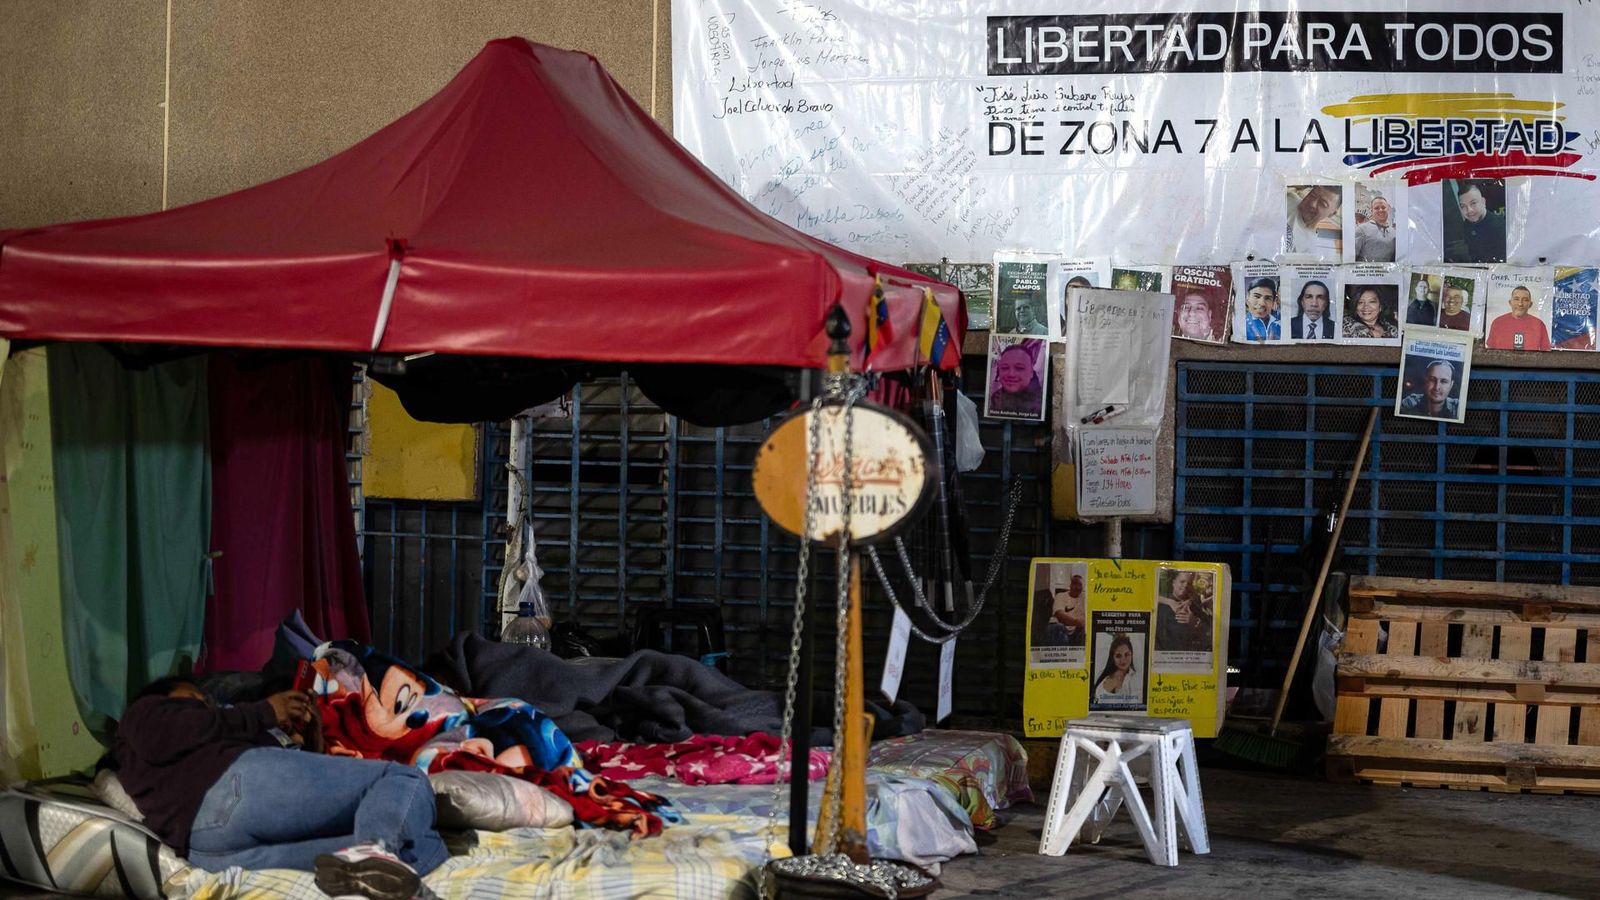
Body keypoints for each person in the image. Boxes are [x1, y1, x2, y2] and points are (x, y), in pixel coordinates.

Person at [111, 677, 447, 899]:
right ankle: (378, 847)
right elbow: (173, 733)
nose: (206, 701)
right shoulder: (145, 713)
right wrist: (263, 711)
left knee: (413, 846)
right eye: (197, 696)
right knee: (401, 780)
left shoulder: (175, 753)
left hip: (208, 847)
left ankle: (375, 864)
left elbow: (306, 798)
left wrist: (311, 738)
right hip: (232, 788)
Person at [1157, 571, 1214, 653]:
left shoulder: (1196, 607)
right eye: (1182, 581)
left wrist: (1196, 623)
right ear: (1174, 583)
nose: (1185, 585)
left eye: (1189, 583)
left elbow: (1210, 633)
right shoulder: (1161, 606)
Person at [1453, 181, 1506, 263]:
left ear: (1483, 202)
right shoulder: (1467, 224)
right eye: (1463, 206)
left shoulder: (1500, 227)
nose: (1469, 210)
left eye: (1473, 203)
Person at [1485, 285, 1551, 350]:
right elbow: (1490, 351)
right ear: (1510, 302)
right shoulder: (1497, 322)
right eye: (1516, 299)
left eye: (1525, 300)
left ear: (1530, 304)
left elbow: (1546, 353)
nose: (1520, 304)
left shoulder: (1539, 324)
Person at [1285, 184, 1341, 256]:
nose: (1312, 204)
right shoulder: (1289, 199)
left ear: (1332, 214)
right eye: (1313, 195)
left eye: (1322, 203)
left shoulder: (1312, 249)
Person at [988, 342, 1042, 416]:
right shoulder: (996, 398)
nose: (1011, 374)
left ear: (1031, 373)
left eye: (1019, 368)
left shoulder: (1042, 403)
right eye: (1005, 368)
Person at [1091, 634, 1142, 705]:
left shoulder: (1136, 679)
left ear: (1132, 655)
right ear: (1113, 657)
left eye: (1127, 654)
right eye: (1118, 656)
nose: (1123, 660)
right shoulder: (1102, 675)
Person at [1353, 194, 1396, 262]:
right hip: (1365, 271)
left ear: (1388, 209)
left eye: (1383, 207)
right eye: (1376, 208)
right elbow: (1351, 258)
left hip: (1386, 272)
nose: (1380, 210)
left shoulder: (1394, 233)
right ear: (1371, 211)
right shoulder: (1362, 230)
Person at [1047, 573, 1087, 646]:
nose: (1077, 587)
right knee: (1058, 627)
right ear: (1070, 585)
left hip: (1076, 631)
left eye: (1080, 585)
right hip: (1060, 627)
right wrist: (1077, 621)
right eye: (1075, 584)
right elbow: (1060, 615)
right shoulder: (1060, 596)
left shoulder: (1085, 598)